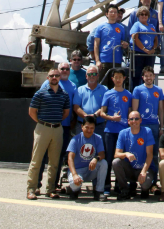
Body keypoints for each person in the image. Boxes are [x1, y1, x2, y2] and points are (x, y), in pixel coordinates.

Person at [26, 68, 70, 200]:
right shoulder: (40, 93)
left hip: (57, 129)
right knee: (36, 160)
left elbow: (66, 112)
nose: (54, 77)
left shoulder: (64, 94)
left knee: (54, 162)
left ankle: (50, 189)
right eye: (52, 76)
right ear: (48, 78)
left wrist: (55, 122)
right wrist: (41, 122)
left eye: (57, 75)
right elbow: (32, 111)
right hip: (43, 128)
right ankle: (31, 189)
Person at [36, 61, 77, 193]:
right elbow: (36, 105)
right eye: (62, 69)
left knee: (57, 158)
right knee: (41, 156)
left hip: (62, 127)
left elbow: (70, 109)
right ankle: (36, 185)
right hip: (46, 126)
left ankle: (52, 186)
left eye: (67, 69)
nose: (64, 71)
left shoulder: (72, 86)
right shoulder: (47, 84)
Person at [100, 67, 132, 196]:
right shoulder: (108, 93)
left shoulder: (128, 95)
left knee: (121, 159)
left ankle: (120, 185)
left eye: (120, 77)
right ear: (112, 79)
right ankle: (107, 185)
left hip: (124, 132)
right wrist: (111, 118)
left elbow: (130, 113)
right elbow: (102, 112)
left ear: (124, 79)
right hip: (110, 130)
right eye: (116, 77)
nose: (118, 79)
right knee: (108, 158)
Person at [113, 110, 155, 199]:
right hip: (130, 169)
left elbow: (150, 154)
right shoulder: (123, 133)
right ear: (128, 121)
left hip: (144, 169)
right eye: (131, 119)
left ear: (141, 120)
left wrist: (143, 172)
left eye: (136, 119)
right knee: (116, 162)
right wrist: (126, 154)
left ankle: (145, 189)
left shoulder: (147, 132)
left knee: (145, 184)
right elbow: (116, 154)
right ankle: (125, 190)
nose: (134, 121)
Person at [66, 116, 108, 201]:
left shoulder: (98, 138)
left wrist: (96, 158)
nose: (89, 130)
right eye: (87, 127)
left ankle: (99, 192)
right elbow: (70, 158)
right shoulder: (75, 139)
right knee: (74, 184)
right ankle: (74, 189)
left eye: (92, 128)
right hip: (77, 170)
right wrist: (74, 175)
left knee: (103, 163)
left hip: (90, 169)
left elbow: (102, 154)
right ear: (82, 127)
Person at [94, 4, 129, 83]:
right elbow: (96, 44)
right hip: (103, 61)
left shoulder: (122, 28)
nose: (113, 14)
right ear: (106, 14)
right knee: (102, 84)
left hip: (117, 61)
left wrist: (124, 44)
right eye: (111, 12)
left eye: (115, 12)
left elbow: (122, 42)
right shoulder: (100, 27)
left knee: (115, 86)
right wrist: (97, 60)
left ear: (117, 14)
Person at [131, 66, 163, 147]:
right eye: (146, 76)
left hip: (154, 125)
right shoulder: (137, 89)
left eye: (150, 75)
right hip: (141, 124)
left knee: (155, 151)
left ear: (153, 76)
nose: (148, 78)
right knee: (140, 148)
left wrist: (162, 127)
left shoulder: (159, 90)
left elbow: (161, 110)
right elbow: (134, 110)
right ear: (143, 77)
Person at [73, 65, 107, 136]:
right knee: (81, 147)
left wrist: (95, 115)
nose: (92, 76)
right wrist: (86, 116)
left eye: (94, 74)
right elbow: (76, 107)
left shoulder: (104, 89)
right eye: (89, 74)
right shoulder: (80, 90)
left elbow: (105, 106)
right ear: (86, 76)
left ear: (98, 76)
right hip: (82, 126)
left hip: (99, 126)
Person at [130, 6, 158, 87]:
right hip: (138, 53)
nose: (144, 16)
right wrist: (144, 49)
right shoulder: (136, 25)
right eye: (142, 14)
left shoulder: (152, 26)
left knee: (149, 74)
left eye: (146, 14)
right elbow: (135, 37)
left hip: (149, 54)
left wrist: (154, 49)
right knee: (137, 75)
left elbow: (156, 38)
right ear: (138, 15)